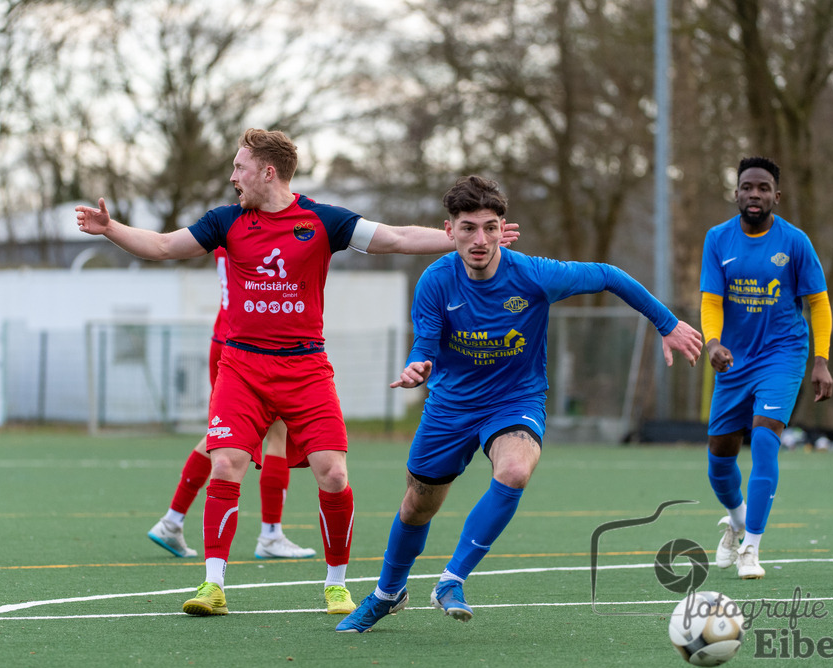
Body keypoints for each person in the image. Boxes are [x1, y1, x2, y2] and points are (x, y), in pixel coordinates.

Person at [76, 128, 517, 617]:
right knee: (226, 464)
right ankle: (212, 585)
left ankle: (335, 585)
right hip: (241, 366)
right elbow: (160, 246)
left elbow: (396, 237)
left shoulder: (322, 221)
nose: (232, 177)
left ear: (267, 171)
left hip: (305, 369)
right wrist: (111, 229)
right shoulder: (224, 222)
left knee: (333, 473)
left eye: (239, 167)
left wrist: (460, 236)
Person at [335, 175, 703, 633]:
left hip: (515, 400)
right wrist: (417, 367)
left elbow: (609, 275)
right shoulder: (435, 282)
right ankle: (387, 594)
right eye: (467, 228)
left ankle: (451, 580)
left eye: (490, 227)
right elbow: (425, 345)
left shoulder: (533, 274)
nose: (480, 239)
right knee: (416, 507)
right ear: (449, 231)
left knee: (514, 470)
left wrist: (666, 323)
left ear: (502, 226)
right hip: (450, 408)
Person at [701, 157, 833, 580]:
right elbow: (711, 302)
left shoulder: (795, 242)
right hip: (734, 359)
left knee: (763, 442)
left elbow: (819, 303)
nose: (753, 194)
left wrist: (821, 360)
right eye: (746, 187)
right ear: (736, 193)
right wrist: (713, 343)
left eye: (762, 188)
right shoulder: (718, 239)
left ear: (776, 196)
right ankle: (737, 522)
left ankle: (751, 549)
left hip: (783, 354)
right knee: (719, 460)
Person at [147, 247, 315, 560]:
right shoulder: (257, 227)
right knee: (275, 433)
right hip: (252, 343)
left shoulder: (229, 225)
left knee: (222, 435)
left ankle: (173, 519)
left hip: (225, 339)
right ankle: (270, 534)